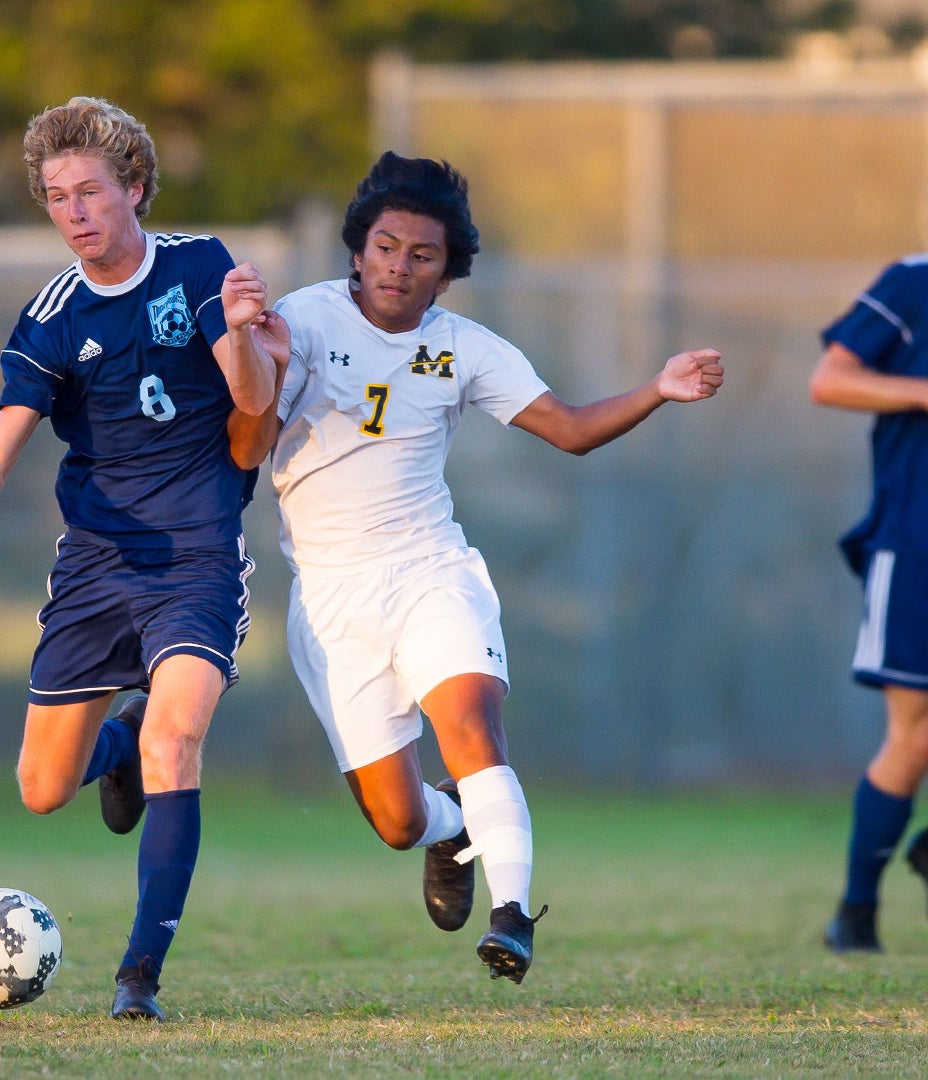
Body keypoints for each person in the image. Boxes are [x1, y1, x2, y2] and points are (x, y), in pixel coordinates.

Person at [228, 151, 724, 984]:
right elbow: (244, 453)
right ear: (359, 249)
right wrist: (262, 356)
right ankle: (452, 830)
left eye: (422, 255)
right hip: (331, 599)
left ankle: (513, 913)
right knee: (394, 820)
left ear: (448, 274)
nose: (399, 266)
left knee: (471, 731)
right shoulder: (300, 320)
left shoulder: (465, 349)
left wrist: (658, 389)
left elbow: (568, 428)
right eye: (386, 246)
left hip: (430, 572)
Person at [0, 96, 287, 1019]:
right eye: (56, 197)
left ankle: (139, 977)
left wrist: (236, 330)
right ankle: (115, 750)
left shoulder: (201, 268)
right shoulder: (50, 319)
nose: (73, 211)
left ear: (136, 190)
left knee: (176, 739)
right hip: (96, 567)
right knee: (40, 791)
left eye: (90, 192)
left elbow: (255, 400)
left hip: (196, 556)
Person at [809, 253, 928, 952]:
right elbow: (831, 381)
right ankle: (855, 915)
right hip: (917, 544)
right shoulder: (914, 281)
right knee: (913, 735)